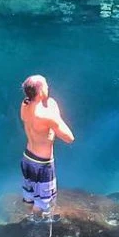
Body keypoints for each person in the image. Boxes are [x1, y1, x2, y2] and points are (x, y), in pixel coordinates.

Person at [19, 75, 74, 216]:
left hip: (27, 157)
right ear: (40, 91)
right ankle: (37, 223)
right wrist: (56, 115)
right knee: (44, 201)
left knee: (29, 194)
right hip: (42, 163)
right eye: (45, 85)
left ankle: (29, 217)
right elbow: (69, 138)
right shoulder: (47, 115)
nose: (48, 87)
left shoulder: (24, 104)